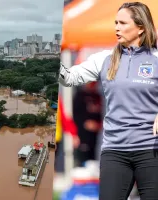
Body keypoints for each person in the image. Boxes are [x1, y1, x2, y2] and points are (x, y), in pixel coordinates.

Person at [59, 2, 158, 199]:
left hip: (150, 151)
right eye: (115, 23)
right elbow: (68, 77)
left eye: (122, 23)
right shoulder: (104, 58)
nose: (116, 28)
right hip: (114, 151)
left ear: (140, 28)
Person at [72, 82, 102, 167]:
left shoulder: (98, 96)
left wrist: (98, 125)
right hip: (82, 135)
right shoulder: (79, 95)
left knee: (94, 159)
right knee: (83, 159)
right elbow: (74, 116)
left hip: (97, 136)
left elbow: (103, 116)